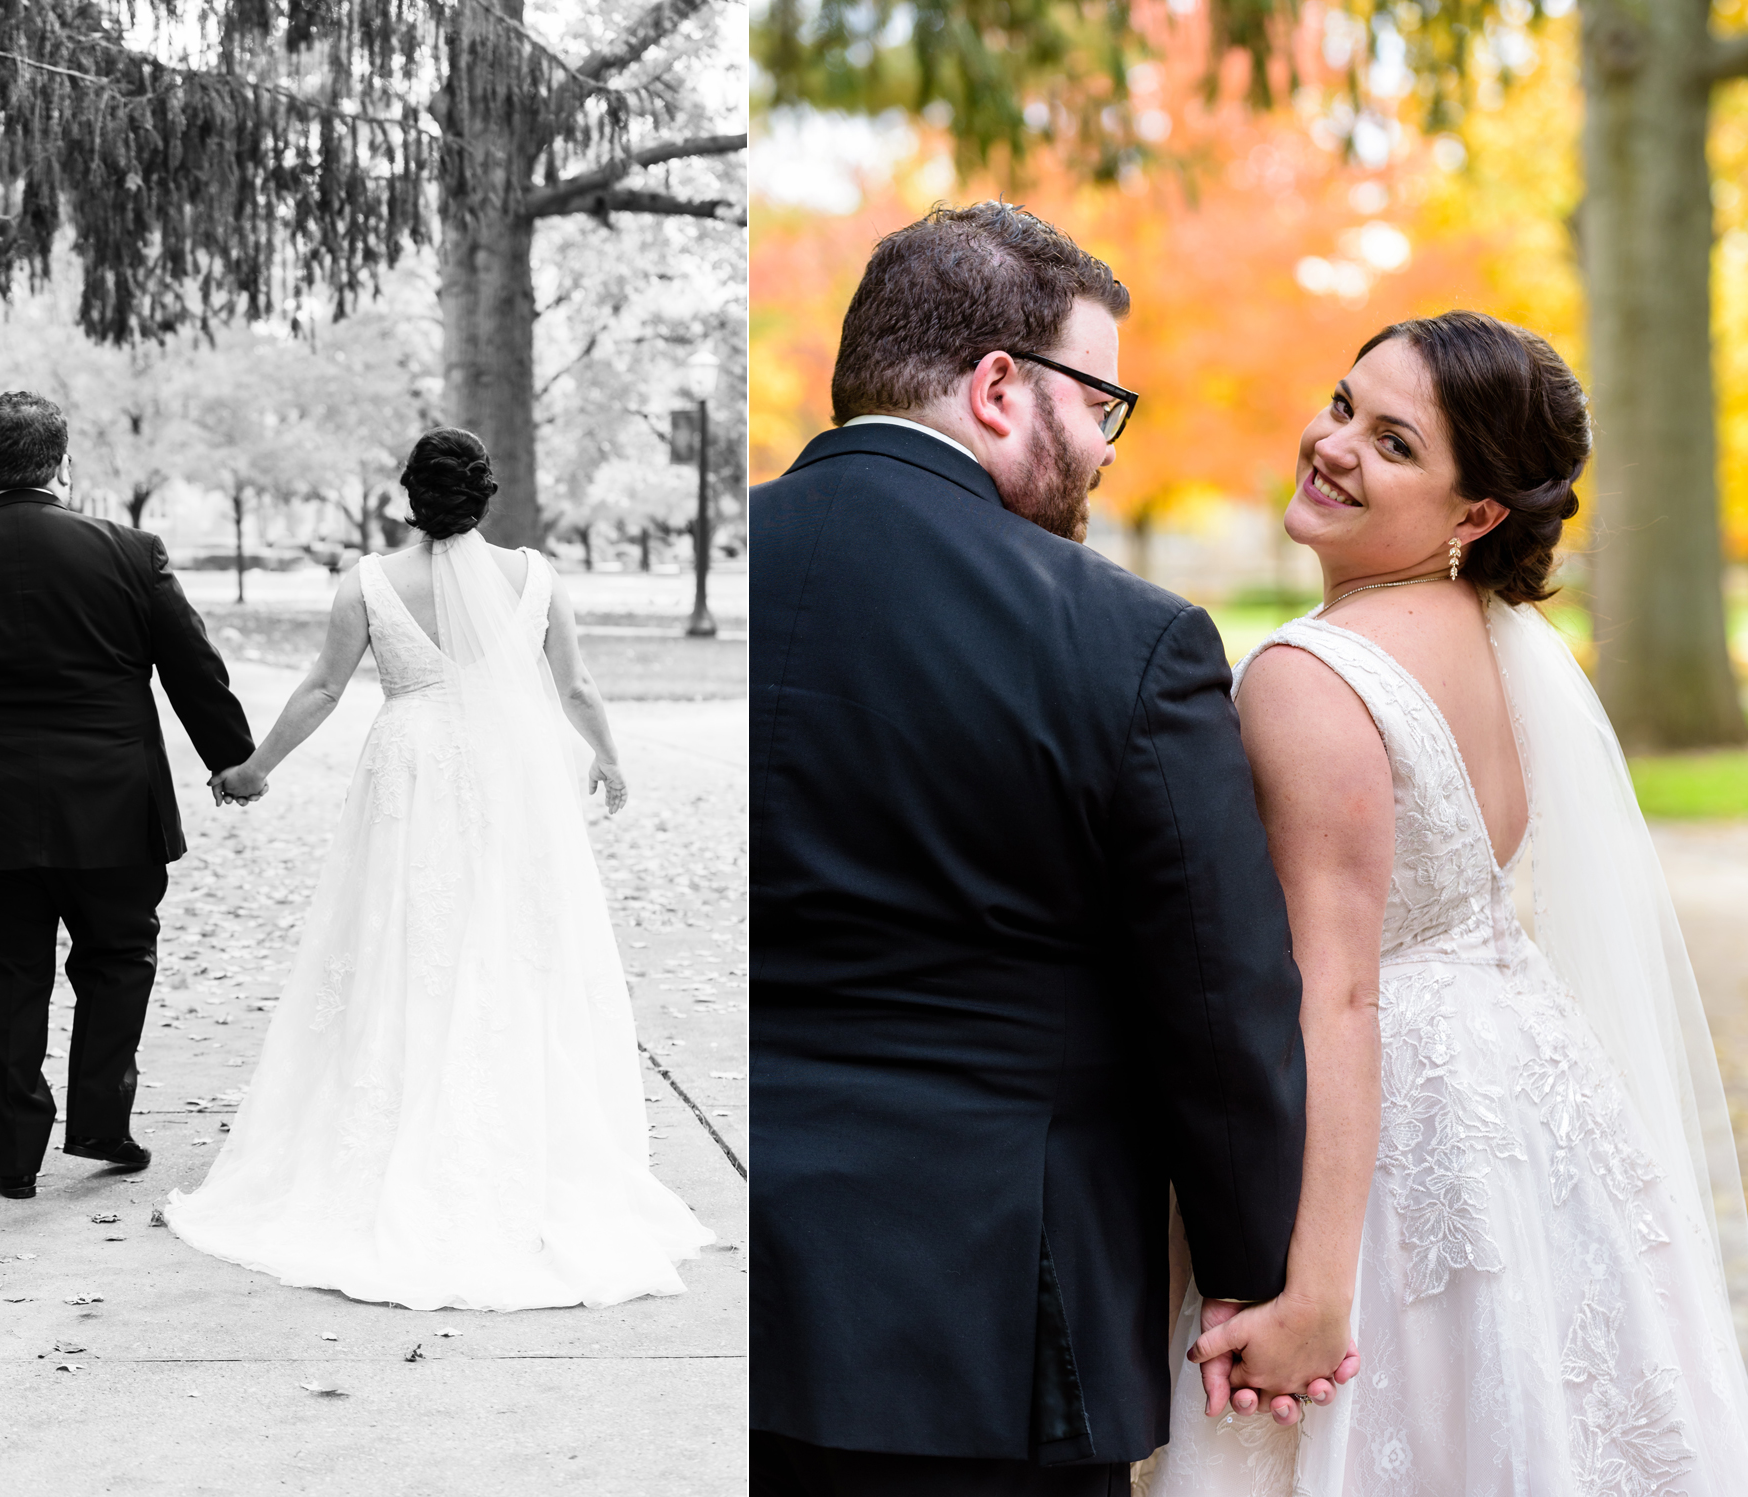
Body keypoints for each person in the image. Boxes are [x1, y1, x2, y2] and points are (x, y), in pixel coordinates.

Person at [749, 200, 1353, 1497]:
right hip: (985, 1331)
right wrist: (1259, 1276)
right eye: (1100, 403)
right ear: (1001, 387)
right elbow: (1220, 1000)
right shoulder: (1128, 641)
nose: (1105, 448)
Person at [1140, 311, 1748, 1494]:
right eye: (1340, 404)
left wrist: (1314, 1293)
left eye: (1394, 443)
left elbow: (1338, 986)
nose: (1331, 445)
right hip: (1529, 1109)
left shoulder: (1305, 676)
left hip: (1387, 1137)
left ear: (1475, 515)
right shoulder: (1504, 645)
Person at [163, 427, 712, 1310]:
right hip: (511, 775)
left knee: (404, 941)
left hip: (411, 772)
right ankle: (509, 1137)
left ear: (408, 496)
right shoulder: (536, 576)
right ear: (484, 494)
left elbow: (320, 690)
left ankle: (393, 1120)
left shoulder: (371, 583)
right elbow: (575, 689)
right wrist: (608, 759)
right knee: (509, 943)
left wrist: (253, 769)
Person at [0, 390, 255, 1201]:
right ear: (62, 466)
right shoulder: (129, 551)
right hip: (112, 807)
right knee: (117, 959)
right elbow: (192, 666)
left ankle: (11, 1158)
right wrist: (230, 759)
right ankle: (101, 1120)